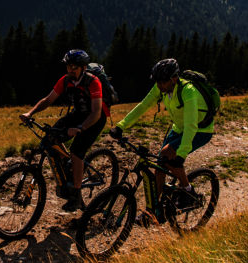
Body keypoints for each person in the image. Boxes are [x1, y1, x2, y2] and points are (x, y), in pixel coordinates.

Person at [109, 58, 213, 210]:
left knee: (167, 153)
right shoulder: (161, 87)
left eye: (163, 82)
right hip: (178, 128)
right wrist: (121, 126)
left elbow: (191, 125)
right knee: (159, 166)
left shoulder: (188, 91)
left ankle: (187, 191)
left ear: (174, 79)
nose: (159, 85)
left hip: (200, 130)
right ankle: (152, 210)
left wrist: (181, 154)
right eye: (157, 82)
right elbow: (144, 105)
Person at [20, 49, 109, 212]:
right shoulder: (65, 80)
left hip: (94, 119)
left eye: (74, 67)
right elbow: (48, 100)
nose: (70, 70)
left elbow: (96, 111)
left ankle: (76, 195)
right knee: (51, 137)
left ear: (83, 67)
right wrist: (30, 113)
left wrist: (80, 128)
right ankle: (69, 165)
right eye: (68, 66)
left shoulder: (93, 82)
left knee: (76, 152)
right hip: (77, 114)